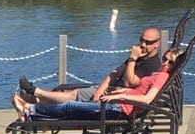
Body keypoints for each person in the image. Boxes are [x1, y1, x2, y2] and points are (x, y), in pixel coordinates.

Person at [11, 46, 183, 124]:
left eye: (170, 62)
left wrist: (119, 96)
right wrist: (124, 91)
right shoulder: (159, 74)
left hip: (121, 109)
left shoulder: (162, 77)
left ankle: (29, 110)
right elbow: (139, 89)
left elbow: (146, 99)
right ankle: (31, 105)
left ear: (174, 66)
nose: (165, 62)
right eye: (164, 58)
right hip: (119, 104)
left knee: (70, 106)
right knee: (72, 100)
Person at [17, 28, 163, 105]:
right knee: (65, 89)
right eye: (142, 40)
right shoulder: (140, 55)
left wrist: (132, 58)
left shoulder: (152, 65)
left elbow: (130, 82)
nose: (143, 44)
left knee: (73, 95)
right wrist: (99, 90)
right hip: (109, 90)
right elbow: (114, 74)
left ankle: (35, 92)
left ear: (157, 43)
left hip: (119, 97)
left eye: (148, 42)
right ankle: (35, 102)